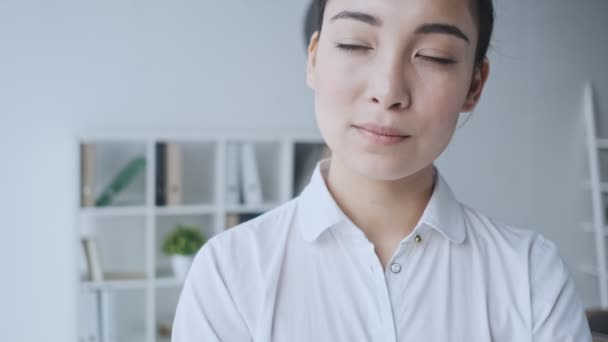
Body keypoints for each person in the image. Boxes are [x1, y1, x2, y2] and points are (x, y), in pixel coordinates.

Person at [172, 0, 592, 340]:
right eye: (356, 44)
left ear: (474, 86)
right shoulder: (229, 273)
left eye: (434, 56)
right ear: (314, 59)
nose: (388, 91)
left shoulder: (531, 275)